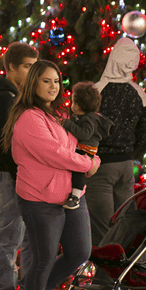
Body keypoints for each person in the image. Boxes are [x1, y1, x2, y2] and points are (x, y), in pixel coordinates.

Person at [2, 60, 100, 290]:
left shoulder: (61, 114)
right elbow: (55, 154)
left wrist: (94, 160)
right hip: (40, 198)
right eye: (46, 81)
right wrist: (87, 164)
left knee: (80, 252)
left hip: (71, 196)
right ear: (33, 83)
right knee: (44, 258)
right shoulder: (28, 117)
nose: (53, 86)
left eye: (56, 81)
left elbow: (82, 145)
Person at [80, 37, 146, 290]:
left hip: (101, 167)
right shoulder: (139, 94)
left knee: (102, 232)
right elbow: (143, 135)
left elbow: (86, 130)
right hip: (126, 167)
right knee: (123, 228)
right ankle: (120, 289)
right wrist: (129, 153)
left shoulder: (98, 91)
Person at [0, 42, 38, 290]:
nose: (31, 72)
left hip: (16, 173)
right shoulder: (3, 98)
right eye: (27, 66)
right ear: (11, 67)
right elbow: (7, 143)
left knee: (22, 237)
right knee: (9, 236)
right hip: (9, 175)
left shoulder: (16, 95)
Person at [61, 82, 114, 210]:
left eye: (73, 102)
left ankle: (75, 196)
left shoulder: (88, 119)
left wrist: (68, 124)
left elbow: (84, 134)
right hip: (83, 148)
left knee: (78, 171)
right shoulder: (82, 116)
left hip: (85, 149)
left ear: (77, 106)